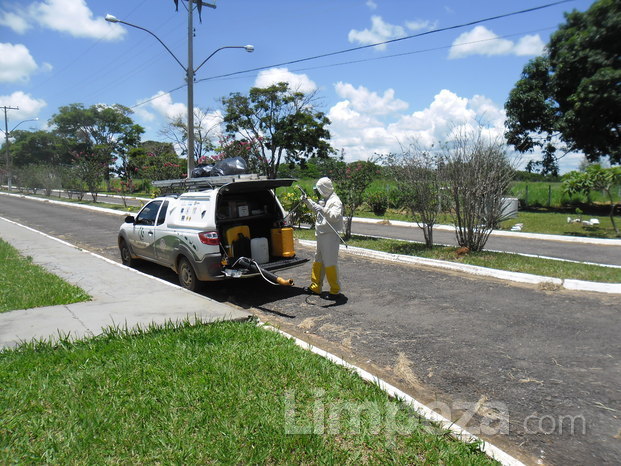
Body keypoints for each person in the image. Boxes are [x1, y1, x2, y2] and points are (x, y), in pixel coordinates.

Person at [300, 177, 344, 299]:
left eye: (319, 189)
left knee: (330, 262)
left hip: (330, 235)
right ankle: (315, 287)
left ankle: (335, 290)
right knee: (318, 260)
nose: (318, 191)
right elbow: (317, 209)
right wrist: (307, 202)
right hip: (321, 234)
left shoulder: (335, 201)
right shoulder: (326, 199)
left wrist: (323, 210)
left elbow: (334, 216)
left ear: (324, 189)